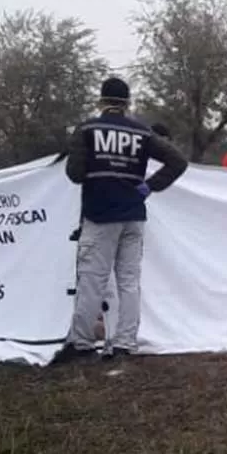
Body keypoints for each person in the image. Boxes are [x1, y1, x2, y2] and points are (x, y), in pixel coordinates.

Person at [60, 77, 190, 361]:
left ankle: (81, 344)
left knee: (92, 280)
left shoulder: (88, 129)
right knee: (129, 282)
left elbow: (75, 174)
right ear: (127, 102)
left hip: (100, 214)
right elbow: (178, 160)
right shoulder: (142, 132)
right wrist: (149, 186)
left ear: (101, 101)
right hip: (134, 215)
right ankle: (125, 344)